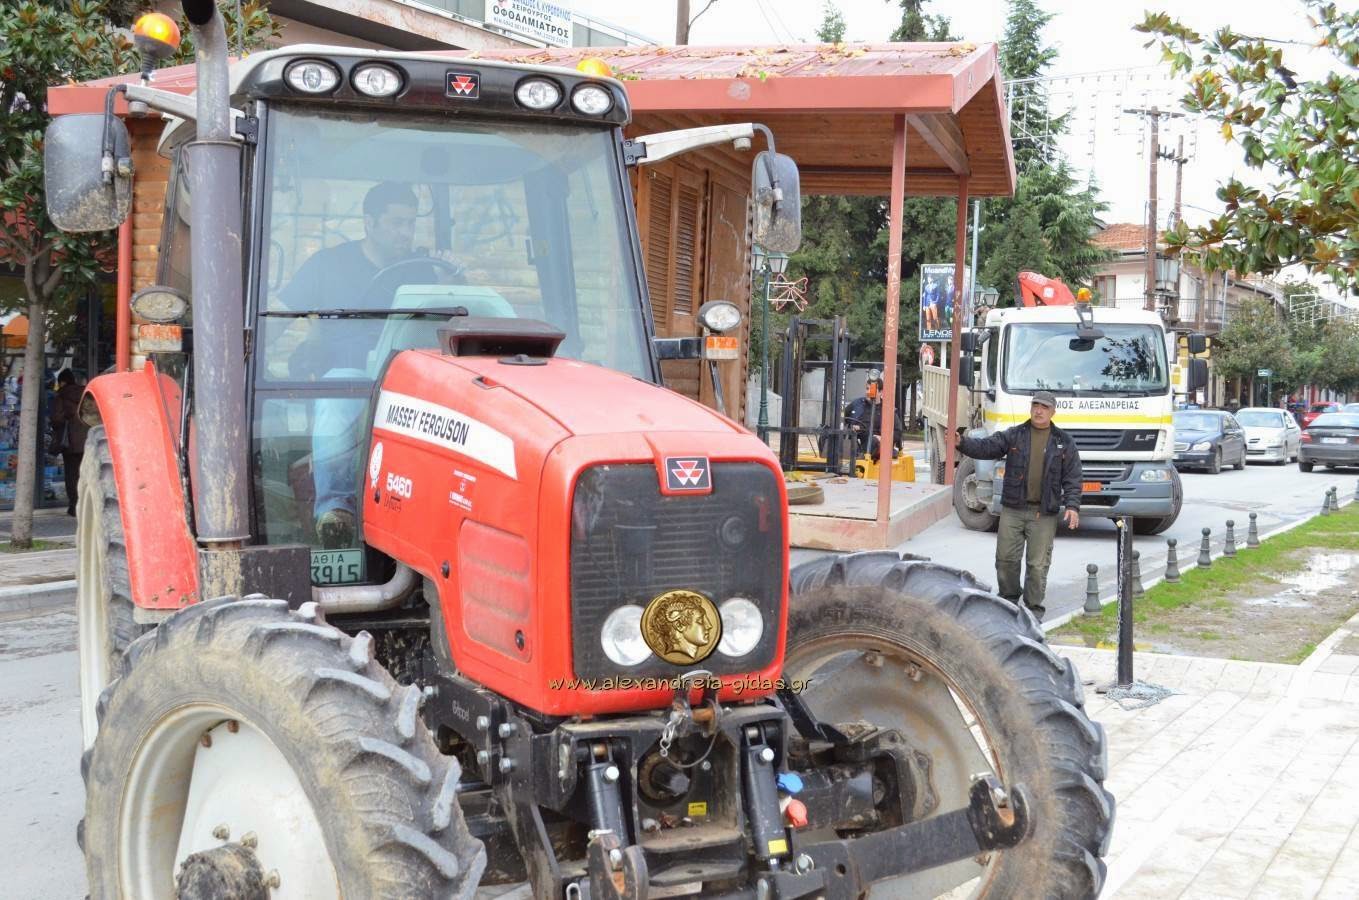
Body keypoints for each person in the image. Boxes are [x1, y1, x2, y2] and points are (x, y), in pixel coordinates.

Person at [280, 181, 464, 549]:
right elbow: (279, 317)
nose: (406, 232)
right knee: (337, 394)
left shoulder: (424, 272)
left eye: (411, 223)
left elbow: (454, 325)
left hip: (410, 378)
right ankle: (336, 511)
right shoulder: (328, 265)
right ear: (370, 222)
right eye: (397, 223)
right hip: (352, 380)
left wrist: (450, 283)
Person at [953, 391, 1081, 621]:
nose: (1038, 411)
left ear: (1053, 412)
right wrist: (962, 443)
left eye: (1044, 407)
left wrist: (1072, 506)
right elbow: (987, 447)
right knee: (1005, 560)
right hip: (1013, 509)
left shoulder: (1064, 442)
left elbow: (1073, 477)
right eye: (1035, 406)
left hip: (1043, 513)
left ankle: (1033, 612)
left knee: (1037, 566)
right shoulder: (1015, 435)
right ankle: (1008, 603)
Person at [51, 369, 89, 517]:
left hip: (71, 443)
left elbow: (57, 419)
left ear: (62, 382)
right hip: (87, 440)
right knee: (85, 472)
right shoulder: (85, 393)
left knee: (72, 475)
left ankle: (74, 506)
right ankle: (87, 505)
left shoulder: (61, 395)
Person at [844, 376, 903, 459]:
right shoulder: (857, 404)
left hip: (873, 444)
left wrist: (883, 438)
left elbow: (898, 432)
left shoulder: (887, 409)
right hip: (855, 439)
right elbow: (843, 418)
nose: (868, 392)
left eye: (872, 389)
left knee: (873, 441)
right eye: (867, 389)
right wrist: (850, 427)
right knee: (833, 435)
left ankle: (860, 457)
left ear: (881, 392)